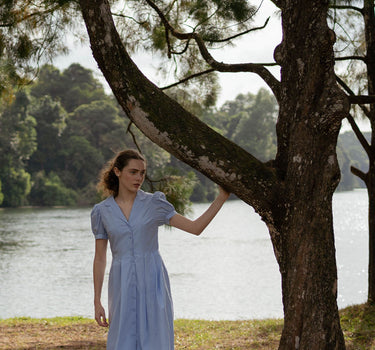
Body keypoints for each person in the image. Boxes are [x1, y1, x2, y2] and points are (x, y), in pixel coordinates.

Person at [91, 149, 230, 350]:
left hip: (152, 280)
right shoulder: (101, 212)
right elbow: (100, 259)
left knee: (156, 341)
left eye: (142, 173)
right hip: (121, 283)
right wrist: (97, 301)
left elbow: (195, 228)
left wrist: (221, 198)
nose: (139, 177)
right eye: (133, 172)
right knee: (122, 342)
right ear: (117, 171)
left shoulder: (154, 203)